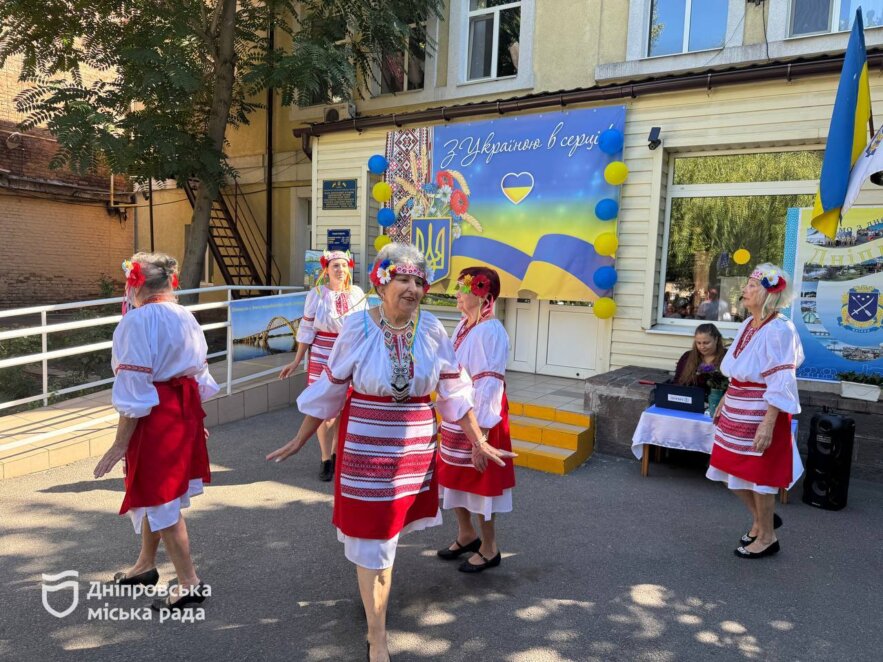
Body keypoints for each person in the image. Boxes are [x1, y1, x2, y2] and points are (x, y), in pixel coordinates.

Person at [266, 243, 514, 662]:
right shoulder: (357, 328)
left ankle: (374, 600)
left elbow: (454, 390)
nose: (413, 288)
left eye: (418, 281)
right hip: (366, 448)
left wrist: (478, 439)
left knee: (388, 538)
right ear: (381, 284)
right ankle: (376, 636)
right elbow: (331, 389)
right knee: (374, 540)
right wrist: (301, 437)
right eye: (403, 279)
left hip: (413, 451)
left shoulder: (432, 328)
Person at [93, 252, 218, 610]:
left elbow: (134, 388)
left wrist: (120, 442)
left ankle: (190, 582)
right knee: (156, 494)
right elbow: (199, 374)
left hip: (156, 416)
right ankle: (145, 564)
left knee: (162, 498)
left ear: (136, 285)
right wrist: (195, 422)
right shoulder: (185, 315)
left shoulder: (136, 321)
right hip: (182, 410)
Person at [708, 263, 804, 559]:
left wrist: (768, 423)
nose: (745, 290)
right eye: (747, 285)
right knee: (727, 468)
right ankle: (763, 520)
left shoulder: (779, 329)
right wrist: (726, 397)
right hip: (737, 407)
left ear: (768, 294)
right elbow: (739, 369)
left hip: (762, 412)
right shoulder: (749, 323)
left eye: (752, 286)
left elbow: (782, 379)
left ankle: (767, 537)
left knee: (760, 476)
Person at [436, 267, 515, 573]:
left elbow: (489, 384)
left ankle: (490, 547)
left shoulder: (490, 332)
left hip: (482, 416)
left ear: (484, 296)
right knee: (453, 475)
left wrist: (479, 437)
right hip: (459, 412)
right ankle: (467, 534)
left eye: (464, 289)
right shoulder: (464, 325)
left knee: (481, 481)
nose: (457, 294)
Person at [279, 250, 366, 481]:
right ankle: (326, 458)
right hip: (323, 353)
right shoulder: (317, 294)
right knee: (324, 410)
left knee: (344, 408)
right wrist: (297, 360)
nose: (340, 270)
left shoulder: (357, 293)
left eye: (344, 265)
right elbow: (307, 329)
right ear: (326, 270)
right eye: (335, 265)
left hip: (348, 353)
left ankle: (337, 454)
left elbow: (365, 328)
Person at [673, 323, 726, 391]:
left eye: (706, 343)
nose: (702, 347)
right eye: (698, 343)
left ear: (716, 339)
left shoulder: (727, 357)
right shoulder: (687, 357)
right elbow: (677, 381)